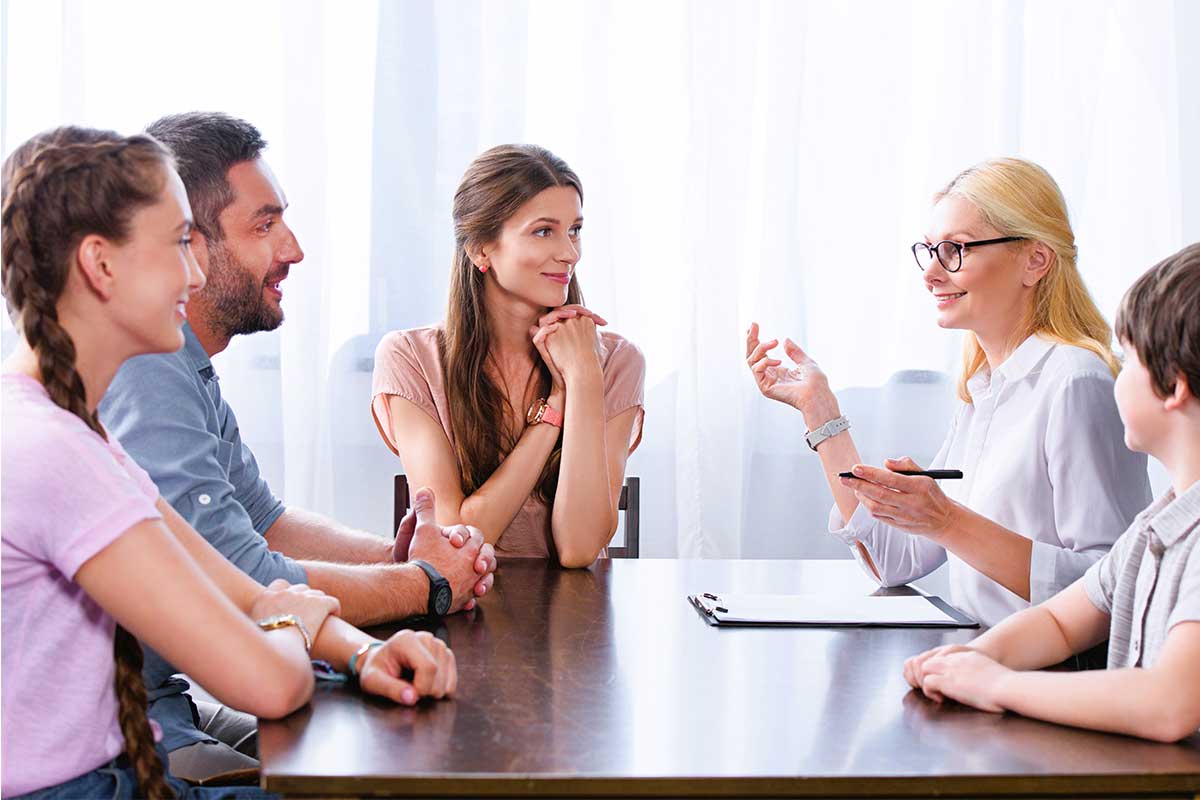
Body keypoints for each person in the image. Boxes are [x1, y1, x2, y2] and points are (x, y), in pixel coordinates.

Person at [1, 126, 457, 800]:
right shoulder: (57, 453)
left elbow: (234, 585)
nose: (194, 271)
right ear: (101, 265)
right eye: (179, 243)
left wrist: (361, 651)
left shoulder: (76, 430)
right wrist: (292, 617)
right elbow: (271, 683)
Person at [746, 157, 1151, 626]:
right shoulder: (983, 390)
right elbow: (896, 563)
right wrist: (820, 411)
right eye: (929, 250)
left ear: (1035, 260)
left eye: (956, 249)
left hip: (1046, 681)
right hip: (980, 665)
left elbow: (1113, 587)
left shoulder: (1075, 382)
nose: (931, 273)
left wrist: (946, 519)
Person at [902, 243, 1200, 742]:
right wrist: (974, 658)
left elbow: (1167, 706)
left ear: (1174, 388)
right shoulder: (1158, 525)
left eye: (1128, 360)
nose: (1113, 371)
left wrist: (998, 685)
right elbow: (1062, 621)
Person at [371, 145, 645, 567]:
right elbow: (456, 533)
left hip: (576, 624)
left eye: (574, 230)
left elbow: (578, 548)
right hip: (455, 616)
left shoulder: (616, 362)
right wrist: (555, 408)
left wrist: (585, 378)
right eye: (543, 231)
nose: (570, 253)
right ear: (482, 248)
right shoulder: (412, 359)